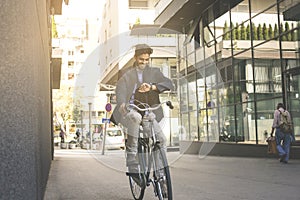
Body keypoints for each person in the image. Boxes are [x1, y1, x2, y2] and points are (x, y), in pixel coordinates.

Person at [111, 44, 174, 174]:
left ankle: (161, 173)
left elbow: (169, 84)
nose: (144, 62)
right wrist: (122, 103)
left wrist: (152, 87)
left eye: (147, 60)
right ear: (135, 57)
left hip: (148, 111)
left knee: (161, 140)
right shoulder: (125, 72)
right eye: (141, 59)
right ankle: (132, 155)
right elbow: (120, 89)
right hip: (131, 109)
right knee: (135, 117)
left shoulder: (154, 72)